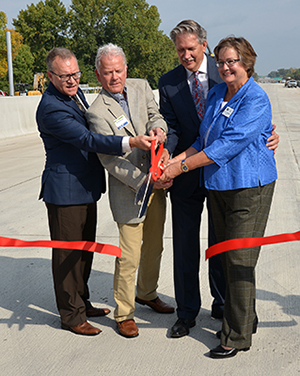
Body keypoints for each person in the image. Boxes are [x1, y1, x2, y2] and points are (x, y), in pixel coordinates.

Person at [158, 20, 279, 338]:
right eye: (180, 50)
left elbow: (246, 121)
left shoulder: (225, 70)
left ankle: (226, 307)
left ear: (204, 45)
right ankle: (186, 313)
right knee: (184, 246)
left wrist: (268, 133)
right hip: (185, 175)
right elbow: (173, 128)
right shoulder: (168, 82)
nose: (186, 55)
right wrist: (168, 161)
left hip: (224, 177)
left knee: (223, 246)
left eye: (191, 48)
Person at [36, 47, 154, 336]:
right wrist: (130, 142)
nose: (72, 80)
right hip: (65, 190)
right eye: (64, 76)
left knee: (84, 252)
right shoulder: (51, 107)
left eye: (75, 73)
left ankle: (82, 302)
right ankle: (71, 316)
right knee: (67, 256)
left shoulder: (72, 95)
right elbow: (87, 139)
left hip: (85, 187)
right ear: (50, 76)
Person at [85, 43, 174, 338]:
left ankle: (147, 292)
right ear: (98, 74)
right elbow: (110, 161)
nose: (115, 77)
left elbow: (156, 116)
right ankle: (124, 313)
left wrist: (159, 131)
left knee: (155, 246)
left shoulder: (140, 86)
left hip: (158, 182)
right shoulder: (97, 111)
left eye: (119, 70)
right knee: (129, 255)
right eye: (108, 72)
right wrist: (147, 181)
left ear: (126, 68)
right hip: (130, 190)